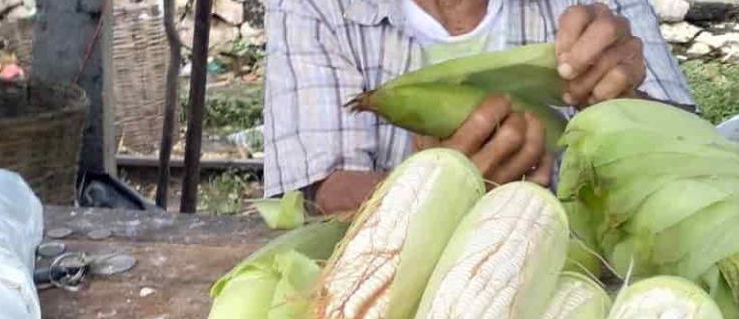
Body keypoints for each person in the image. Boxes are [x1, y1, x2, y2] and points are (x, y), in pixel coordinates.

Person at [263, 0, 694, 214]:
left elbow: (689, 158)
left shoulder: (590, 7)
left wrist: (625, 103)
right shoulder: (315, 7)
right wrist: (441, 191)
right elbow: (316, 194)